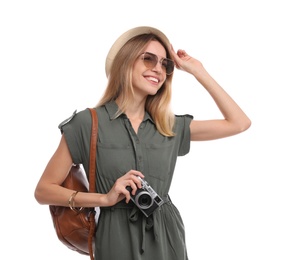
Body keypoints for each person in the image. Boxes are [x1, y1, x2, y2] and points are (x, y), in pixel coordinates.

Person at [34, 26, 251, 260]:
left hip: (167, 237)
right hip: (114, 237)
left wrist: (198, 71)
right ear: (126, 62)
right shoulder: (87, 123)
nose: (158, 69)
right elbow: (43, 191)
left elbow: (239, 122)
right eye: (148, 59)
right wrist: (104, 199)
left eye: (165, 64)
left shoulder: (169, 126)